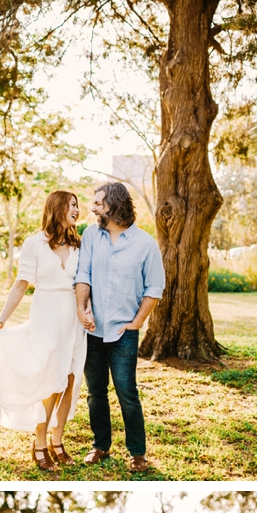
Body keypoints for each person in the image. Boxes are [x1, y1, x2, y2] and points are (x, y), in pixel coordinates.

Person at [0, 191, 87, 471]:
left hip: (73, 319)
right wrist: (1, 319)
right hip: (46, 316)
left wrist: (86, 310)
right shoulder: (34, 244)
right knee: (51, 381)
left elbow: (86, 282)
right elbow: (21, 285)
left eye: (78, 206)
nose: (77, 210)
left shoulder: (80, 245)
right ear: (57, 208)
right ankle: (40, 443)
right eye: (72, 205)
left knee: (69, 380)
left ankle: (58, 442)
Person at [75, 182, 165, 474]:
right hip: (93, 330)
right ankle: (101, 445)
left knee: (127, 391)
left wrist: (137, 322)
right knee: (95, 392)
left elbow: (154, 287)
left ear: (114, 205)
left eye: (99, 203)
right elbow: (83, 274)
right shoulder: (90, 235)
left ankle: (137, 453)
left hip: (124, 332)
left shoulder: (145, 244)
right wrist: (82, 308)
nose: (93, 207)